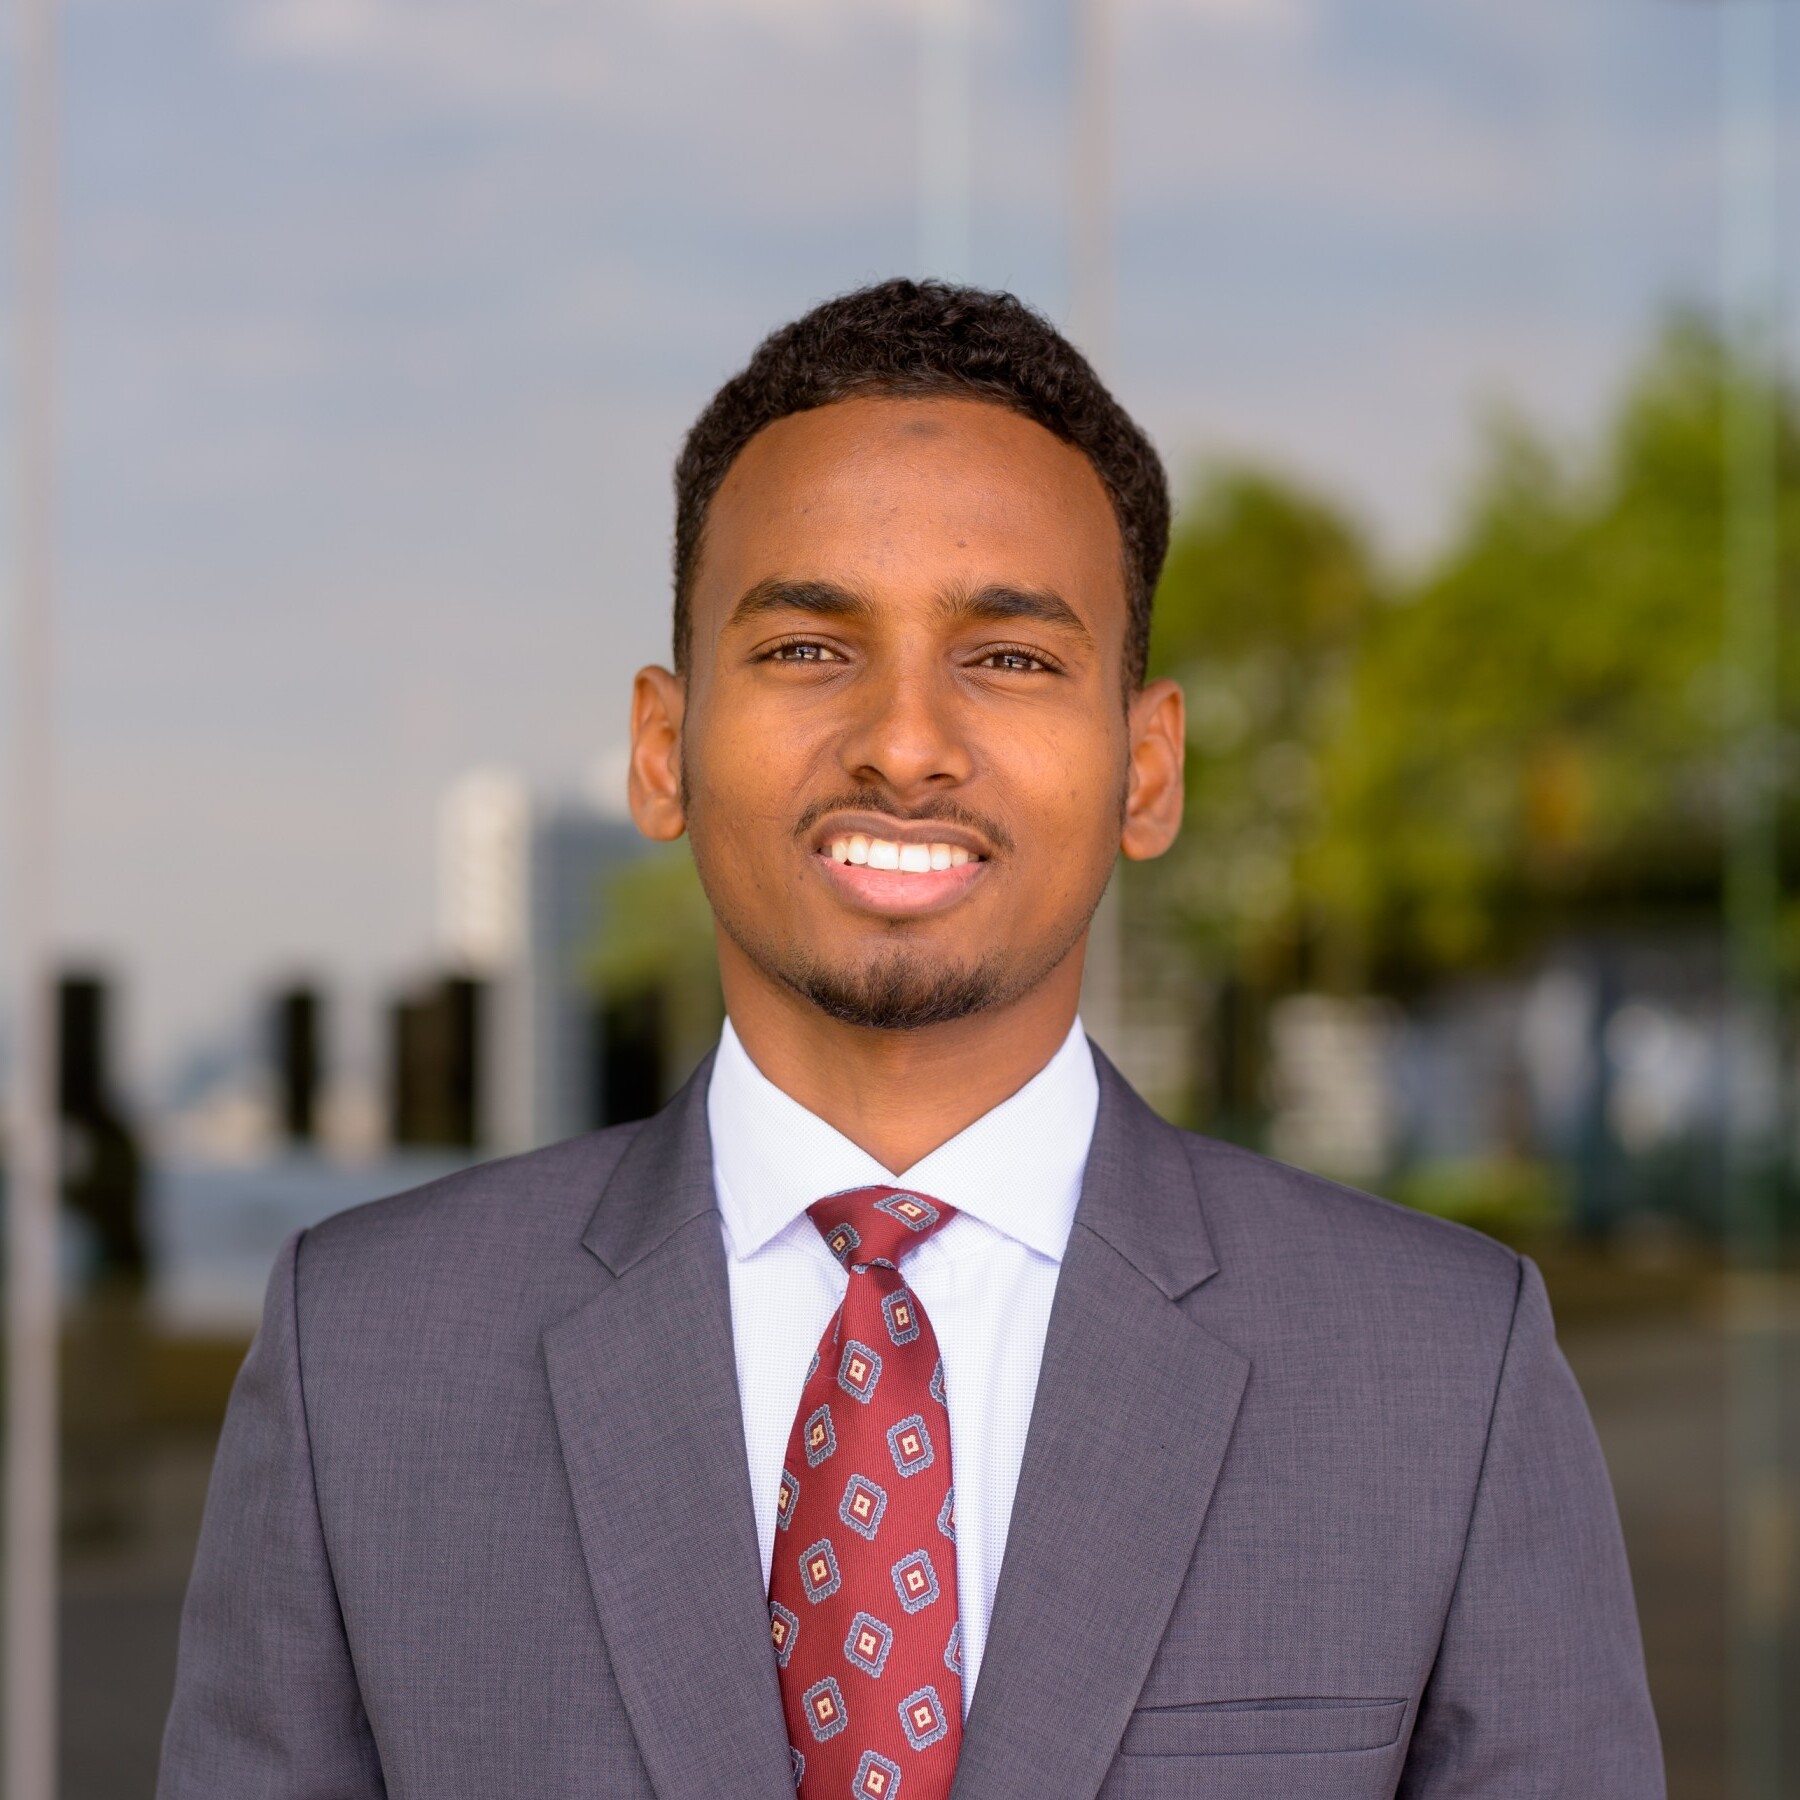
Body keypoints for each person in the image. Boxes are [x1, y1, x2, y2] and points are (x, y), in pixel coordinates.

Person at [159, 280, 1663, 1800]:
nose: (904, 741)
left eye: (1008, 658)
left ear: (1147, 771)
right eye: (810, 647)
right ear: (663, 749)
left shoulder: (1441, 1374)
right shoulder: (364, 1360)